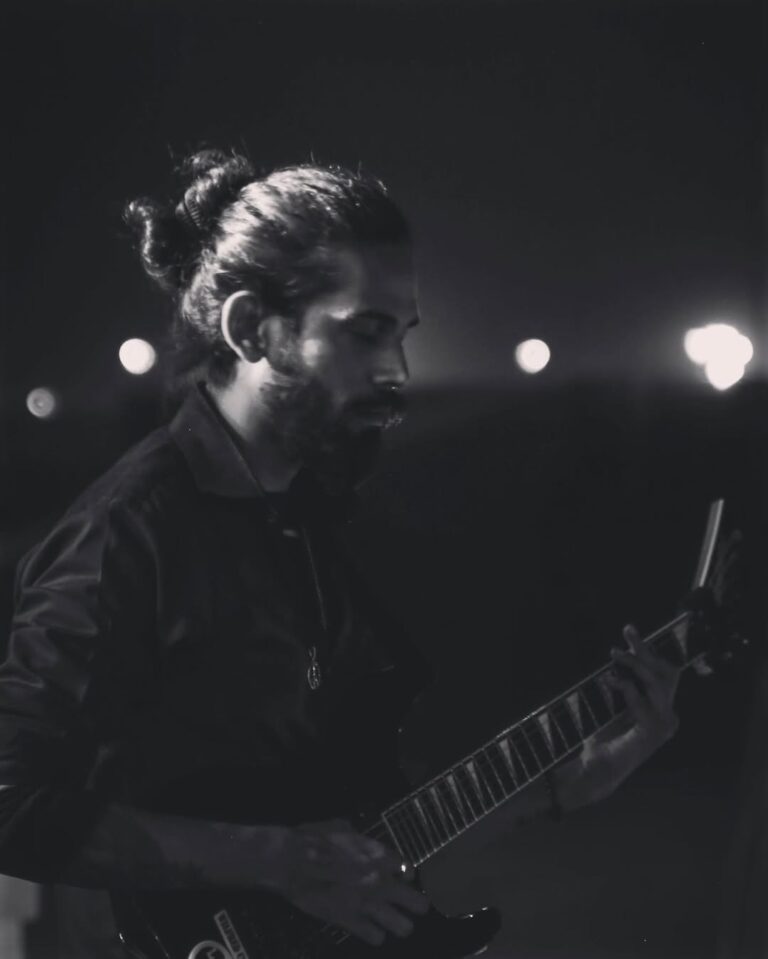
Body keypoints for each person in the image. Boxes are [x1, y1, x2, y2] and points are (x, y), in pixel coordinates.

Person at [0, 149, 681, 955]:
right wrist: (281, 859)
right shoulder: (128, 533)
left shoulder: (303, 513)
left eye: (402, 334)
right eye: (365, 332)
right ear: (251, 328)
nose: (396, 372)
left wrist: (562, 786)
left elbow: (356, 826)